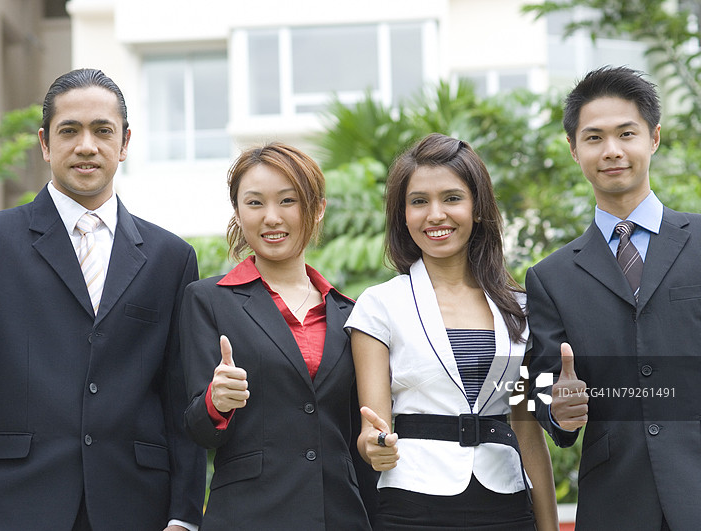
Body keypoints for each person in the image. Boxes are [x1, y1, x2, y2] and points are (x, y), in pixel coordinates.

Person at [0, 68, 205, 531]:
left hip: (135, 506)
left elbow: (179, 393)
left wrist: (184, 515)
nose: (87, 145)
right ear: (45, 143)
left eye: (103, 131)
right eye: (70, 130)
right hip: (20, 502)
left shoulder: (171, 257)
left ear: (124, 143)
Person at [346, 133, 558, 530]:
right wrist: (376, 448)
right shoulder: (378, 305)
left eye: (452, 198)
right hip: (412, 506)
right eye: (419, 201)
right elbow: (372, 428)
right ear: (403, 215)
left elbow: (527, 429)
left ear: (478, 209)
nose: (435, 214)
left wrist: (548, 527)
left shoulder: (521, 307)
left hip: (507, 506)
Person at [526, 65, 701, 530]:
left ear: (654, 138)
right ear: (573, 149)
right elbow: (543, 390)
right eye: (594, 138)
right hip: (617, 504)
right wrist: (557, 410)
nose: (613, 151)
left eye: (627, 133)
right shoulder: (550, 277)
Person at [180, 142, 377, 530]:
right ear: (237, 211)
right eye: (254, 203)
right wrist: (217, 401)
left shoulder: (351, 314)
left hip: (339, 517)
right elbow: (196, 429)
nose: (272, 218)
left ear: (316, 208)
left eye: (288, 201)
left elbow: (359, 436)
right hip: (248, 516)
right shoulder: (207, 300)